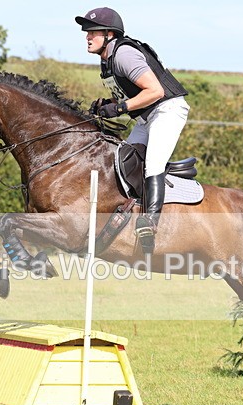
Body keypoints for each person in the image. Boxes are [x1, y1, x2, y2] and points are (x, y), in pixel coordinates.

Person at [76, 7, 190, 253]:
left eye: (92, 32)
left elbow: (155, 91)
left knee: (153, 164)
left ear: (109, 34)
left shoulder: (124, 54)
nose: (87, 36)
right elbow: (132, 95)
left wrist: (119, 108)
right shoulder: (107, 61)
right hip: (146, 118)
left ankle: (150, 223)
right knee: (121, 160)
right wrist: (109, 105)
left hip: (167, 110)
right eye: (86, 31)